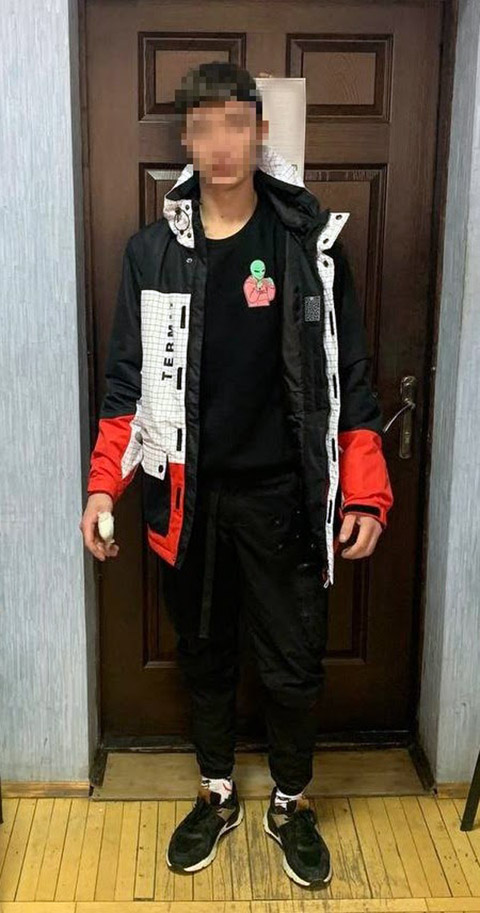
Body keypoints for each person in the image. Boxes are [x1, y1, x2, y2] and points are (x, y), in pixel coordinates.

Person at [80, 61, 394, 889]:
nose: (220, 143)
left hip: (284, 496)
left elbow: (349, 377)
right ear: (185, 140)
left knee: (293, 662)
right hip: (187, 498)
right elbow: (125, 383)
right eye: (203, 126)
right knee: (205, 650)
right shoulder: (152, 253)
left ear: (259, 132)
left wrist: (367, 491)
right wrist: (103, 486)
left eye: (235, 124)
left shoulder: (307, 247)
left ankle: (290, 802)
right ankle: (216, 791)